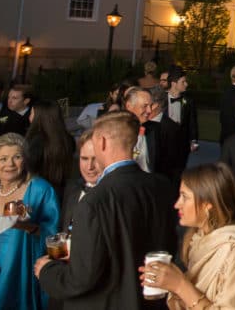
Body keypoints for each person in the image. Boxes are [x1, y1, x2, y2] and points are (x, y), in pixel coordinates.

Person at [36, 111, 177, 308]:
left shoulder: (94, 201)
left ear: (101, 142)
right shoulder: (162, 186)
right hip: (151, 301)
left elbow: (81, 278)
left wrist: (47, 271)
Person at [140, 163, 235, 309]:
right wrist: (168, 280)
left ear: (208, 204)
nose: (177, 204)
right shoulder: (200, 238)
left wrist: (180, 285)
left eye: (185, 197)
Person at [0, 132, 60, 310]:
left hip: (23, 272)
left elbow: (55, 238)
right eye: (3, 159)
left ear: (25, 161)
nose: (10, 164)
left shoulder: (40, 189)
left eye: (17, 157)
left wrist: (26, 226)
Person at [23, 99, 76, 204]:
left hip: (39, 194)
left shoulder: (35, 141)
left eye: (32, 113)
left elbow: (28, 168)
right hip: (63, 193)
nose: (29, 117)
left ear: (39, 117)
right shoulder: (68, 139)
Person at [60, 130, 102, 232]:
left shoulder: (115, 193)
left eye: (95, 159)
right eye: (84, 158)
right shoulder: (72, 188)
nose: (89, 166)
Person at [166, 67, 199, 171]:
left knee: (179, 170)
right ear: (173, 83)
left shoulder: (189, 101)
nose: (186, 84)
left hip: (182, 143)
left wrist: (194, 140)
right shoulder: (161, 99)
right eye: (183, 82)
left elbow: (192, 122)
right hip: (164, 143)